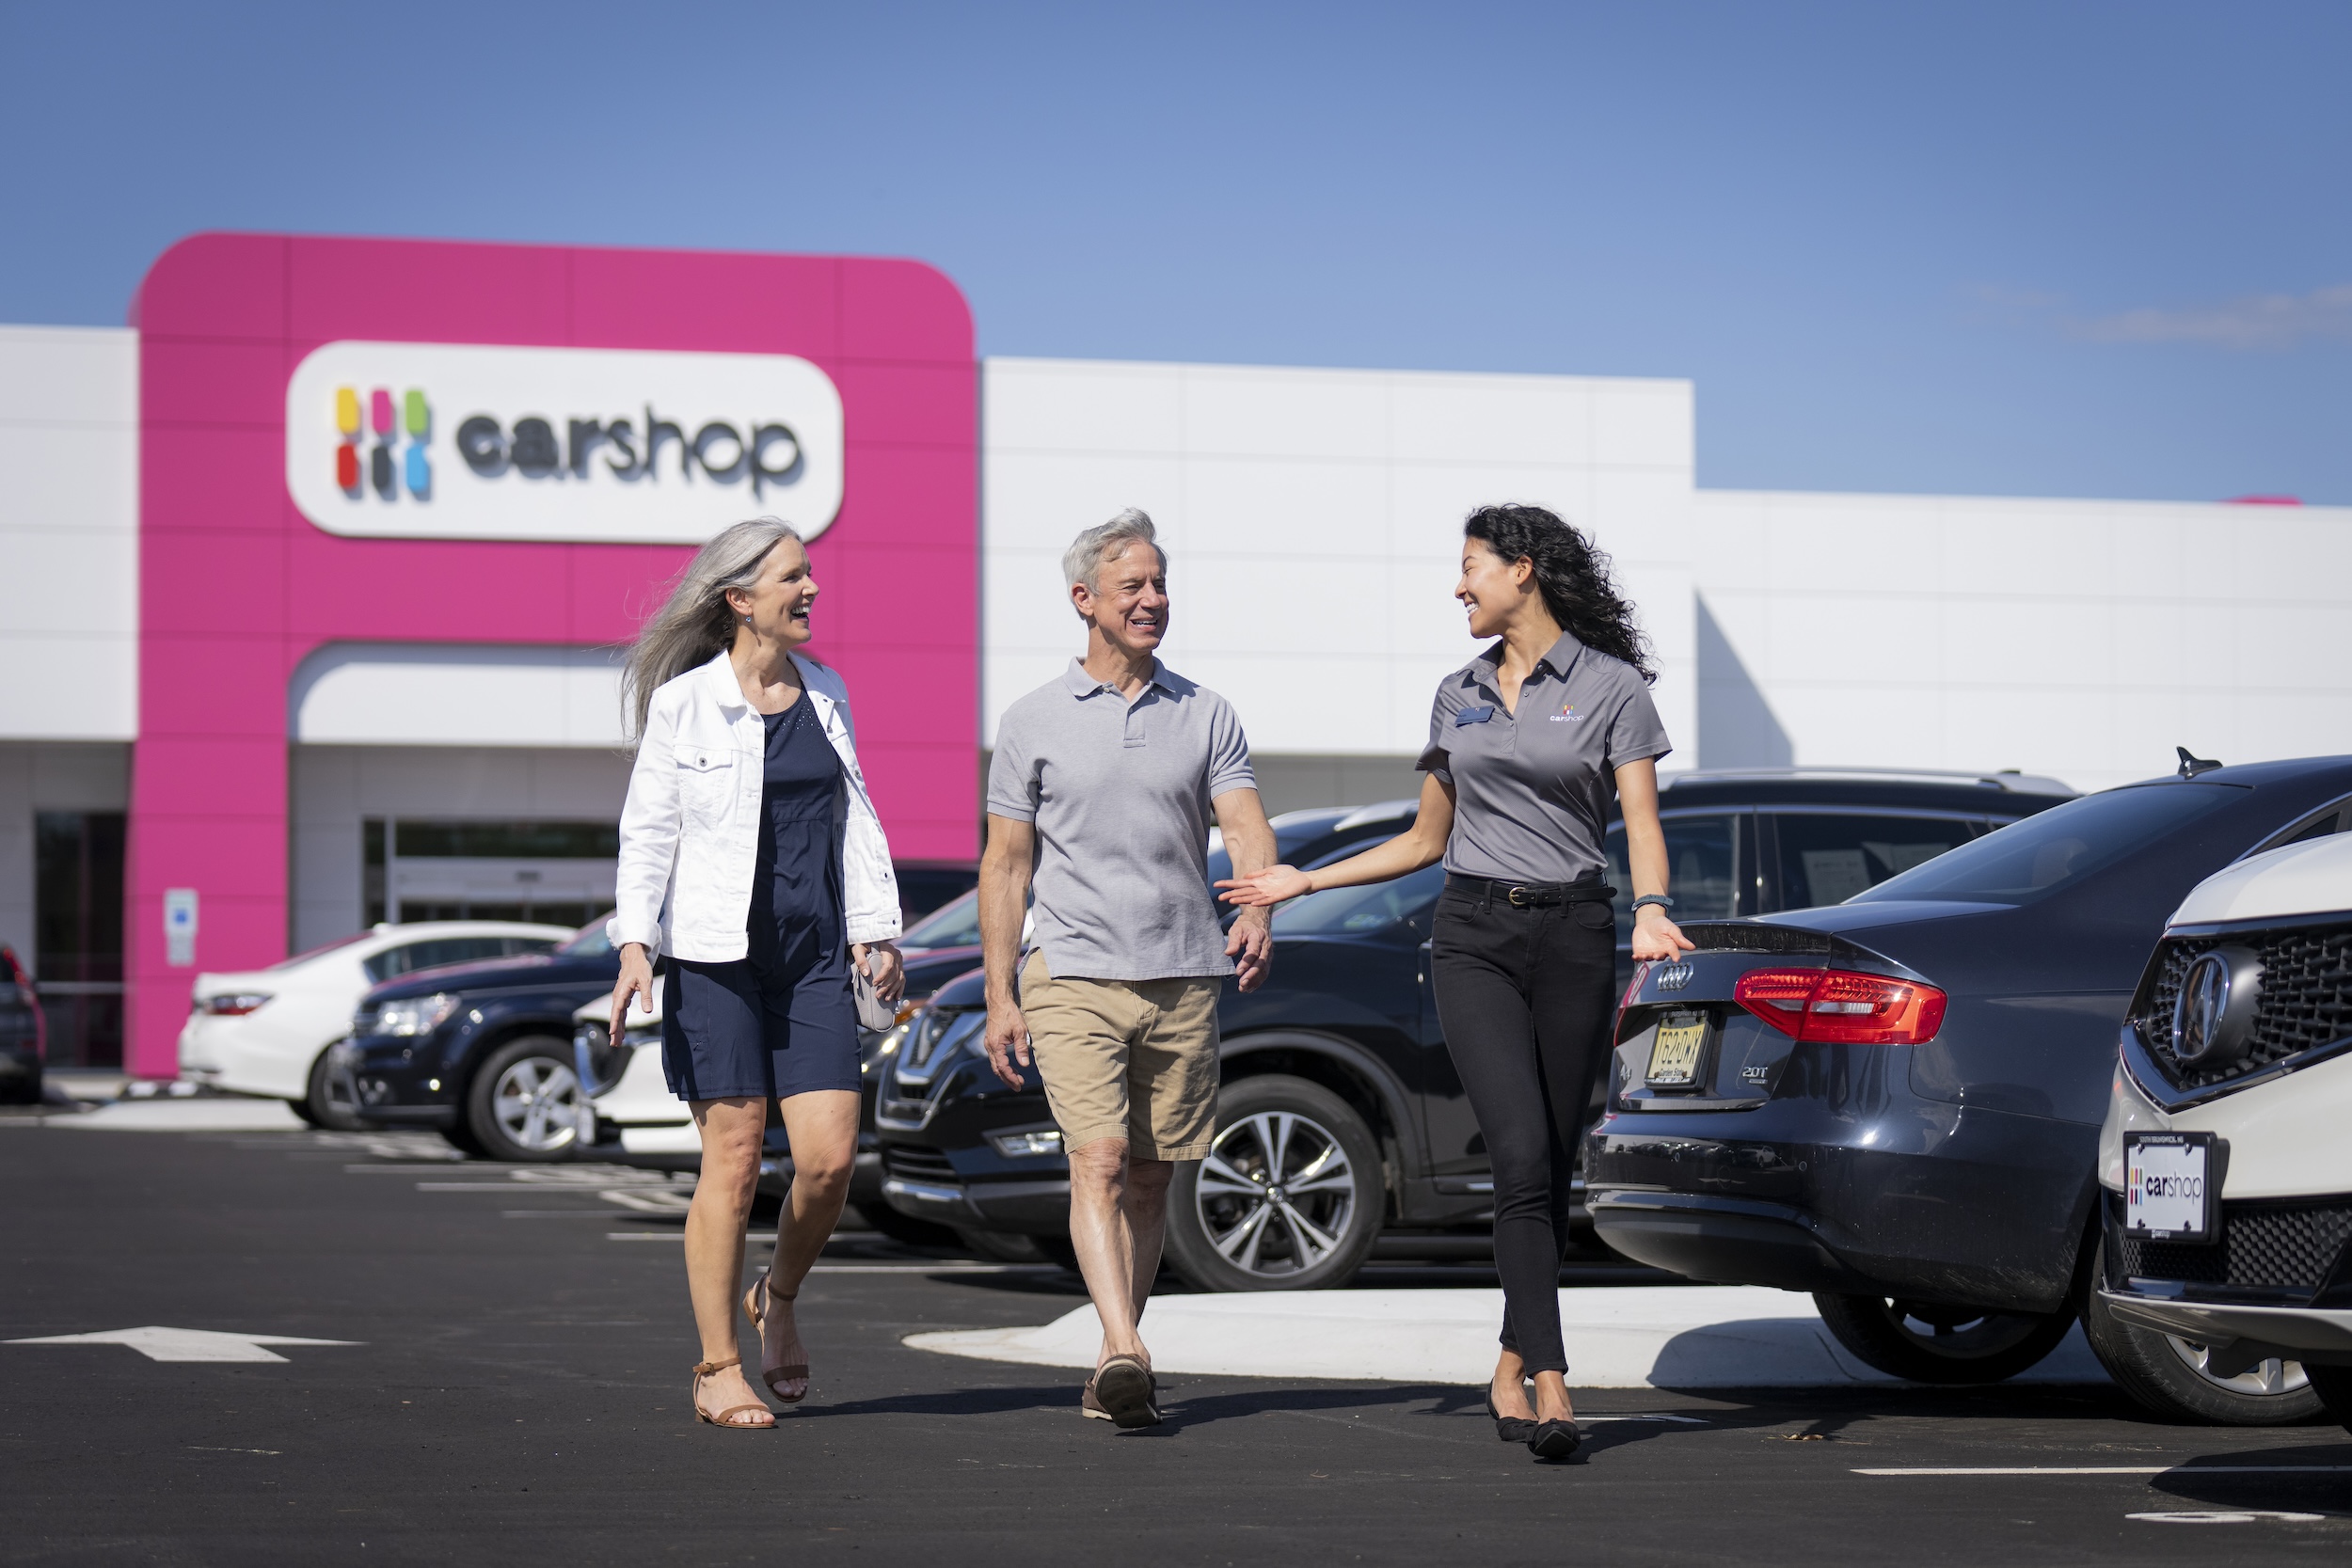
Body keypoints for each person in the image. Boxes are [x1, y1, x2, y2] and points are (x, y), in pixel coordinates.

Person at [1221, 503, 1692, 1462]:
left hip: (1573, 933)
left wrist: (1650, 905)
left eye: (1470, 565)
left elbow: (1640, 818)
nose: (1457, 583)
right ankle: (1554, 1379)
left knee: (1550, 1162)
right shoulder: (1457, 692)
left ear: (1522, 570)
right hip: (1472, 932)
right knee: (1517, 1147)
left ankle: (1510, 1359)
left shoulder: (1613, 689)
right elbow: (1424, 839)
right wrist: (1305, 876)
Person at [979, 509, 1279, 1429]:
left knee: (1151, 1174)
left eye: (1159, 584)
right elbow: (1006, 864)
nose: (1152, 600)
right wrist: (998, 991)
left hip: (1184, 972)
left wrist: (1260, 900)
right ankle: (1121, 1346)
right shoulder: (1029, 720)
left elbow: (1243, 824)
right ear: (1084, 601)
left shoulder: (1206, 712)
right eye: (1132, 587)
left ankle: (1118, 1355)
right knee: (1098, 1157)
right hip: (1069, 967)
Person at [606, 516, 906, 1431]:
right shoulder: (685, 705)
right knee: (731, 1164)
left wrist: (877, 929)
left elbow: (855, 818)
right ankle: (715, 1365)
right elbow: (649, 830)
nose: (810, 589)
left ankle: (775, 1294)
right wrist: (633, 944)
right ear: (739, 598)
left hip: (814, 960)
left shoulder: (827, 693)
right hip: (715, 960)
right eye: (791, 576)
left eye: (809, 573)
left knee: (825, 1162)